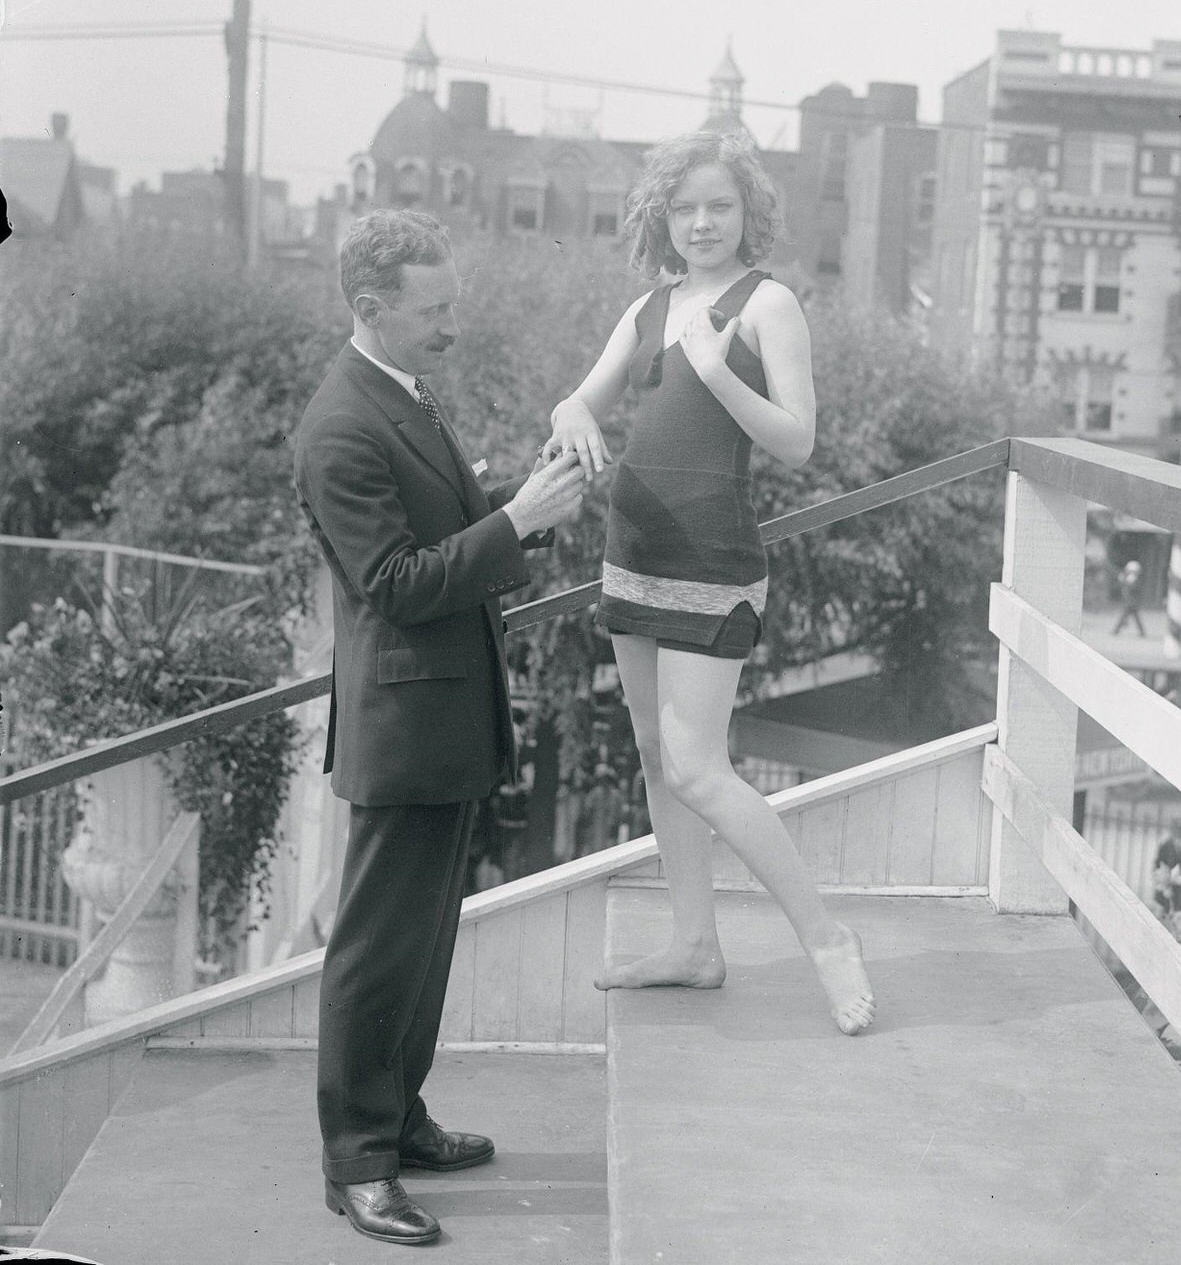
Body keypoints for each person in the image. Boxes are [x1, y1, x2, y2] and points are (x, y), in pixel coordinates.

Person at [294, 209, 585, 1246]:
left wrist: (522, 506)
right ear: (371, 310)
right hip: (404, 732)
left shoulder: (398, 398)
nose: (453, 326)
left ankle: (398, 1121)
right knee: (376, 956)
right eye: (436, 310)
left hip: (438, 725)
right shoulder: (340, 426)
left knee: (419, 952)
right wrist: (518, 523)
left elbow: (436, 544)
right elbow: (394, 585)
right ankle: (357, 1163)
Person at [544, 128, 875, 1036]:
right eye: (685, 207)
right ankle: (694, 945)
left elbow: (798, 441)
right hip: (633, 549)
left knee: (697, 764)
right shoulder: (647, 306)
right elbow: (585, 396)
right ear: (661, 215)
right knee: (657, 756)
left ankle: (827, 938)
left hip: (711, 559)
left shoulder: (769, 305)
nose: (701, 223)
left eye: (719, 206)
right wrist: (575, 415)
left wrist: (714, 368)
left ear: (748, 213)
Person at [1112, 559, 1145, 636]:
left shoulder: (1133, 578)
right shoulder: (1131, 577)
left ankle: (1116, 630)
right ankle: (1142, 632)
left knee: (1124, 616)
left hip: (1131, 602)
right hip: (1130, 601)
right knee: (1136, 618)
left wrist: (1123, 581)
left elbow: (1132, 588)